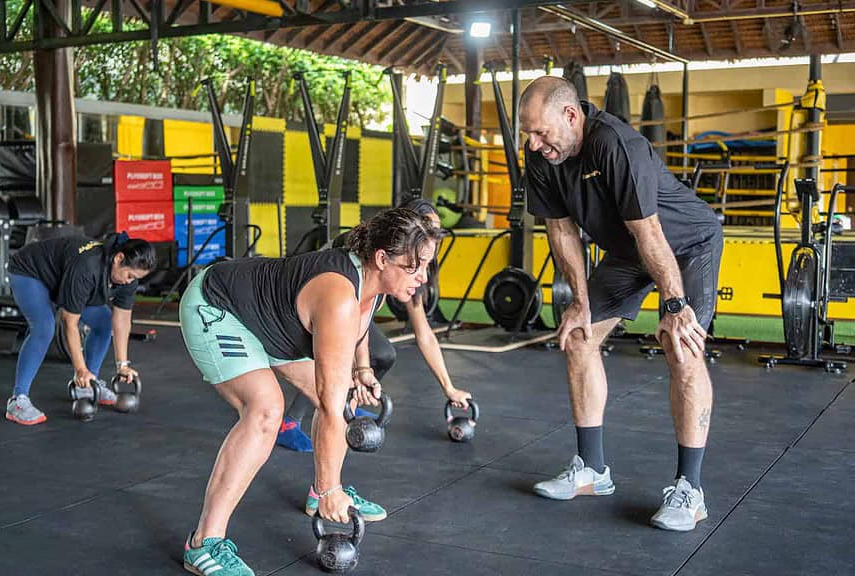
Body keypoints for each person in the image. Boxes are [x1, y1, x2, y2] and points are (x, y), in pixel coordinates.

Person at [179, 207, 442, 576]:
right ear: (383, 258)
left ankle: (320, 493)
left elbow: (358, 331)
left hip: (268, 323)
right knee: (266, 410)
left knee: (344, 395)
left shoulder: (374, 282)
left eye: (427, 265)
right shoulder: (338, 295)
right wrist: (335, 487)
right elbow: (333, 407)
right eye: (415, 266)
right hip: (219, 307)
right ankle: (204, 542)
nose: (422, 277)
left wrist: (362, 371)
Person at [519, 76, 723, 532]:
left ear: (571, 116)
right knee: (579, 337)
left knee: (681, 345)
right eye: (527, 133)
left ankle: (689, 491)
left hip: (687, 246)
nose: (533, 144)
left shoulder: (616, 145)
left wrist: (674, 306)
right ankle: (592, 470)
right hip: (631, 251)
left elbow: (651, 232)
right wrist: (579, 300)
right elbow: (560, 230)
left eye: (540, 133)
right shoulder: (542, 157)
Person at [276, 199, 473, 453]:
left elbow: (423, 333)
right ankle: (290, 423)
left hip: (353, 310)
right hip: (313, 306)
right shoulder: (364, 250)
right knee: (335, 359)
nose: (433, 237)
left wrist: (449, 387)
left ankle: (349, 398)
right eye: (428, 229)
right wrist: (356, 366)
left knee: (384, 355)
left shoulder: (415, 266)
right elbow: (350, 315)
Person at [4, 232, 155, 425]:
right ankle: (18, 400)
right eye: (129, 275)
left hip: (64, 279)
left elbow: (123, 319)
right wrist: (80, 369)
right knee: (44, 327)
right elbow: (69, 322)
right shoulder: (88, 266)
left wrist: (122, 365)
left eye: (135, 279)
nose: (129, 281)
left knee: (103, 323)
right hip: (31, 272)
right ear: (119, 258)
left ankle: (86, 387)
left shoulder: (127, 279)